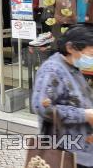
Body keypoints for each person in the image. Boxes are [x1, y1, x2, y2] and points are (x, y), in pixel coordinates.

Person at [32, 24, 93, 167]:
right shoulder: (52, 70)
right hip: (67, 153)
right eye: (90, 54)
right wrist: (84, 114)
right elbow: (41, 107)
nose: (91, 58)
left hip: (83, 151)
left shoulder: (72, 67)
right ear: (70, 48)